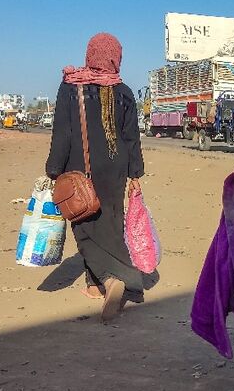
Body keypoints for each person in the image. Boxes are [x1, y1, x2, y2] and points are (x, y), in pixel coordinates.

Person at [46, 33, 158, 322]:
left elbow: (63, 132)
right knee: (111, 220)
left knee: (84, 225)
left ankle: (115, 280)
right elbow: (132, 137)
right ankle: (94, 286)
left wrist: (53, 169)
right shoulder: (124, 91)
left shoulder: (71, 87)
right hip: (116, 167)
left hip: (81, 166)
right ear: (115, 57)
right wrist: (135, 174)